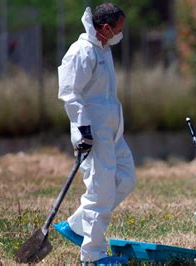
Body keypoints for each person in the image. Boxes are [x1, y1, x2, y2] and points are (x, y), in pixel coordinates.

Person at [53, 3, 136, 264]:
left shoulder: (104, 48)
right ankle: (93, 255)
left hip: (112, 129)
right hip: (93, 132)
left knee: (125, 178)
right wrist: (82, 130)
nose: (121, 33)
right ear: (106, 28)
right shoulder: (81, 51)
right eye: (119, 28)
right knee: (100, 194)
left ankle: (77, 226)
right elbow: (69, 94)